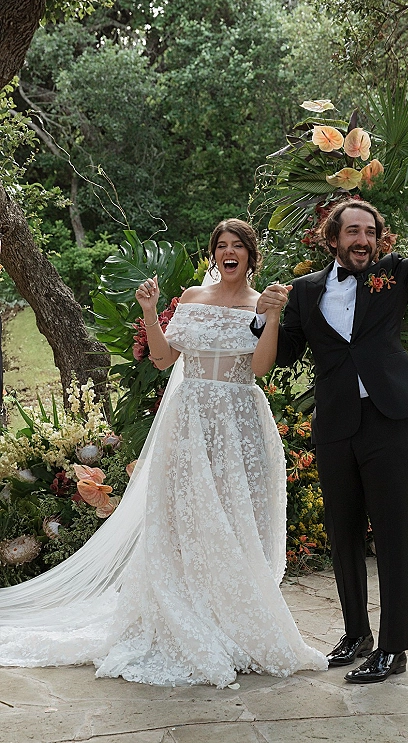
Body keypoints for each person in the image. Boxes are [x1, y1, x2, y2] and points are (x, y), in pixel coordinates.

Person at [0, 219, 327, 687]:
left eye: (237, 246)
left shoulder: (261, 304)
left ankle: (231, 615)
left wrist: (273, 317)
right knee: (181, 514)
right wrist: (150, 311)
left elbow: (259, 365)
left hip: (239, 420)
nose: (228, 252)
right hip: (188, 417)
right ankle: (183, 608)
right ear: (214, 254)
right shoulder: (193, 298)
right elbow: (162, 358)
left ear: (251, 256)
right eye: (221, 246)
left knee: (236, 516)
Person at [252, 133, 408, 684]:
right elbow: (282, 358)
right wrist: (264, 318)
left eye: (370, 231)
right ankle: (356, 634)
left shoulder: (394, 275)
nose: (363, 238)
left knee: (393, 531)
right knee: (343, 531)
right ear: (333, 238)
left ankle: (393, 648)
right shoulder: (306, 290)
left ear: (378, 241)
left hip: (389, 420)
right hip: (335, 424)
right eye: (352, 230)